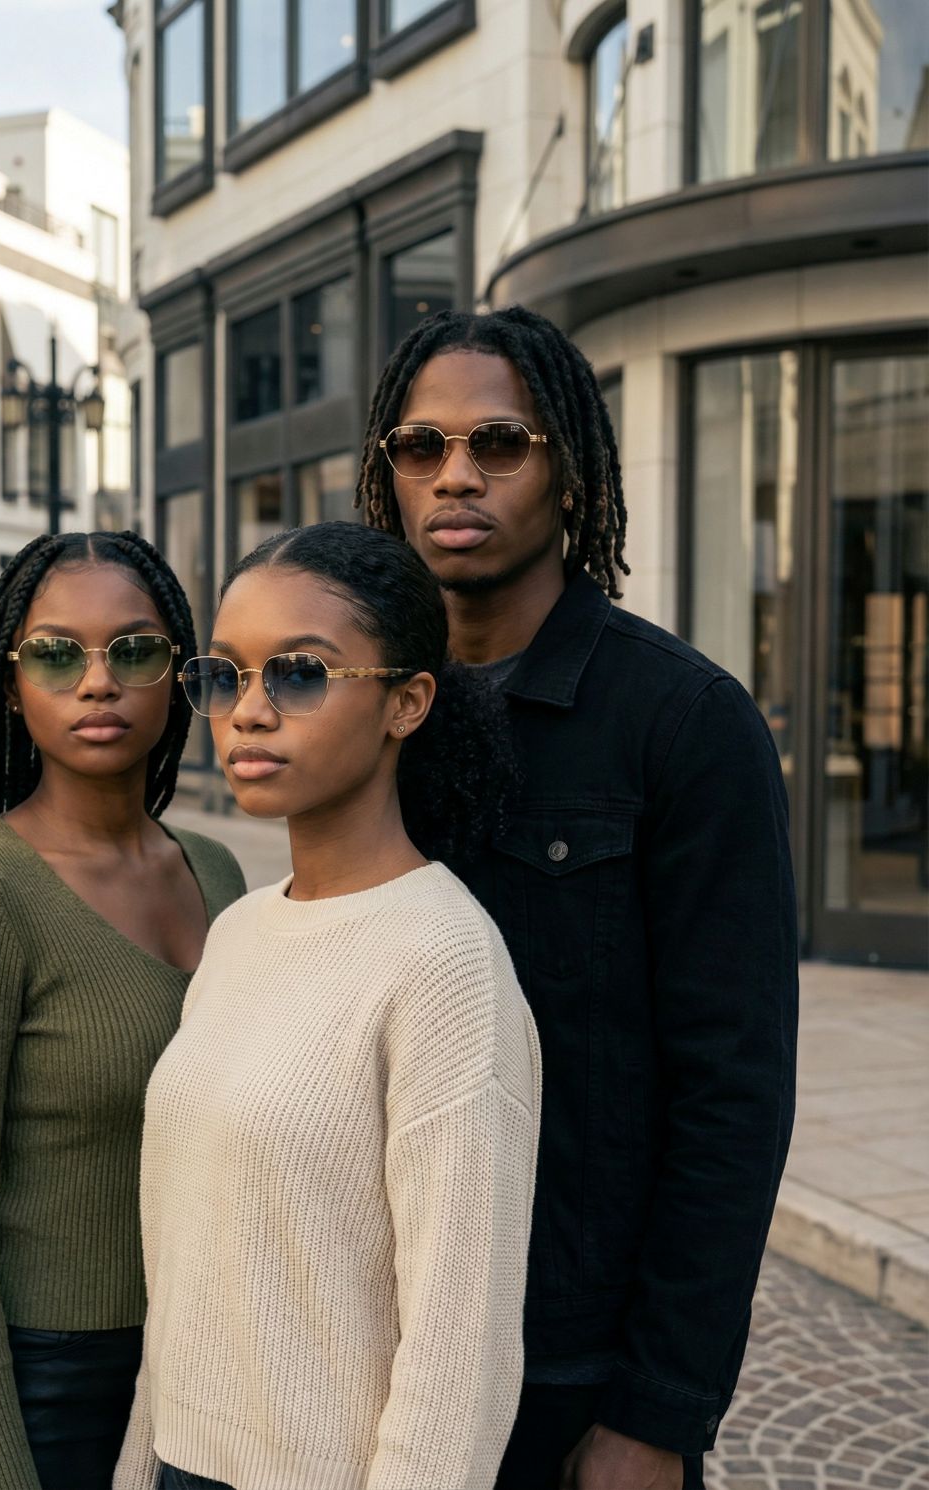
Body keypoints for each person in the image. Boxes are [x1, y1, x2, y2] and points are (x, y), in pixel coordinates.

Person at [357, 306, 799, 1490]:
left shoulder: (685, 724)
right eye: (420, 445)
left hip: (568, 1369)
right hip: (372, 1354)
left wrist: (658, 1410)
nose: (456, 473)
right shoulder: (359, 709)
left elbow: (734, 1092)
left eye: (500, 441)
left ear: (570, 472)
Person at [114, 521, 542, 1490]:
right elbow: (189, 1256)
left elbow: (459, 1347)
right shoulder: (241, 930)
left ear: (406, 701)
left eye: (300, 674)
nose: (249, 712)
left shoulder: (444, 962)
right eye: (225, 676)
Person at [0, 531, 246, 1490]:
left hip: (187, 1371)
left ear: (175, 675)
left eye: (134, 650)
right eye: (55, 653)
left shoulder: (217, 873)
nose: (98, 682)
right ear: (11, 684)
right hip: (28, 1390)